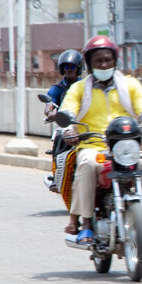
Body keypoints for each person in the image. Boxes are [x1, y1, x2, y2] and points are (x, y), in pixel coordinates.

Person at [58, 36, 142, 248]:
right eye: (98, 61)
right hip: (93, 146)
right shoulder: (79, 89)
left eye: (108, 60)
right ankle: (86, 223)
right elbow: (67, 113)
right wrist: (69, 131)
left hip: (126, 146)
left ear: (115, 61)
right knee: (87, 164)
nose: (104, 65)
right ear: (89, 64)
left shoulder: (130, 85)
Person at [42, 50, 84, 189]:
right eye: (66, 66)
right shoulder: (58, 88)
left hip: (83, 123)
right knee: (59, 138)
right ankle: (56, 176)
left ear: (78, 68)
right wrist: (50, 113)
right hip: (66, 124)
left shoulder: (85, 85)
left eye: (72, 66)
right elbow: (49, 104)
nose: (69, 69)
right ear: (62, 69)